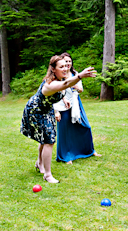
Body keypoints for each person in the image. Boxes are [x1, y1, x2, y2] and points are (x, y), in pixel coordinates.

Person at [20, 55, 97, 183]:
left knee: (46, 138)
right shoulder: (51, 83)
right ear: (53, 69)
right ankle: (48, 175)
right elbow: (64, 85)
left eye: (66, 66)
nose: (66, 68)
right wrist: (80, 76)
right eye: (61, 67)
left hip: (46, 109)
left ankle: (40, 163)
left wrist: (64, 98)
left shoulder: (57, 78)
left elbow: (60, 90)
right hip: (36, 111)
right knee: (49, 140)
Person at [53, 53, 101, 164]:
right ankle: (65, 156)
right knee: (65, 131)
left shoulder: (75, 74)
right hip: (62, 104)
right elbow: (54, 94)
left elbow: (80, 90)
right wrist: (56, 111)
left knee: (85, 126)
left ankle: (89, 150)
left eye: (69, 61)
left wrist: (75, 86)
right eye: (65, 62)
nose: (68, 64)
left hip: (76, 102)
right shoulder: (59, 76)